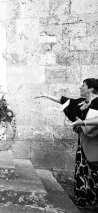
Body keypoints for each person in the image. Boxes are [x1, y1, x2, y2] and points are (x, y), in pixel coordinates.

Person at [35, 78, 98, 209]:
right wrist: (46, 96)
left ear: (91, 89)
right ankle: (85, 199)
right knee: (82, 170)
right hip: (84, 140)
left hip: (95, 142)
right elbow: (64, 100)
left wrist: (84, 122)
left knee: (94, 171)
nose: (80, 87)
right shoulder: (81, 102)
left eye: (83, 85)